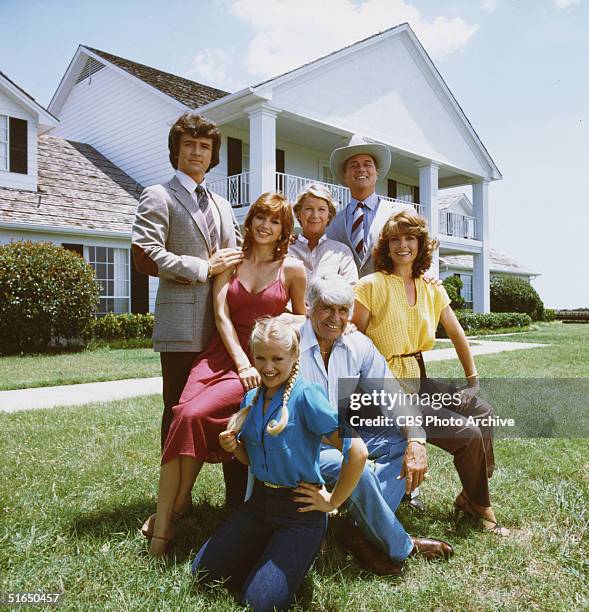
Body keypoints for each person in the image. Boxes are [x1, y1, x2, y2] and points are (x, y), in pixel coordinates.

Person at [144, 193, 307, 555]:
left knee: (192, 415)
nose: (265, 225)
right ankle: (173, 509)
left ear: (284, 229)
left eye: (275, 221)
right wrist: (240, 361)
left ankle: (171, 513)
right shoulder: (231, 262)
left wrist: (279, 324)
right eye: (260, 217)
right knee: (183, 416)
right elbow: (221, 316)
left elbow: (303, 317)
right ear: (249, 222)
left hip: (262, 364)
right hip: (221, 357)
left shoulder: (293, 269)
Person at [191, 317, 368, 612]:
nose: (267, 367)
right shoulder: (251, 397)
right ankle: (266, 554)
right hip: (258, 505)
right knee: (204, 575)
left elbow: (357, 451)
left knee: (258, 605)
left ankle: (282, 559)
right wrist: (234, 449)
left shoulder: (306, 395)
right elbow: (254, 460)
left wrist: (332, 501)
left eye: (277, 358)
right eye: (260, 358)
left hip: (300, 512)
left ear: (294, 356)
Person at [352, 210, 509, 536]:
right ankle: (482, 506)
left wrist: (472, 381)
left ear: (421, 245)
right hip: (384, 386)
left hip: (417, 376)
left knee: (483, 412)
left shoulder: (431, 288)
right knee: (466, 434)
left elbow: (456, 332)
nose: (402, 245)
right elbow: (352, 344)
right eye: (395, 239)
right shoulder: (370, 285)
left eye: (410, 238)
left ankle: (469, 495)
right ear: (386, 246)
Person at [298, 276, 453, 575]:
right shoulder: (291, 340)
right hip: (302, 443)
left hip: (341, 438)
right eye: (326, 309)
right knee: (358, 470)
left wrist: (416, 440)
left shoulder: (357, 345)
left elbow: (392, 396)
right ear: (309, 308)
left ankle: (358, 527)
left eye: (343, 310)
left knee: (399, 438)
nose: (336, 318)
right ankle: (399, 544)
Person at [131, 112, 245, 505]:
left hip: (226, 328)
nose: (197, 152)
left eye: (204, 147)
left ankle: (237, 501)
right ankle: (175, 500)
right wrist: (201, 268)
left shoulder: (224, 205)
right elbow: (144, 255)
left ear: (213, 155)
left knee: (235, 406)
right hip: (181, 326)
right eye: (189, 145)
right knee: (178, 412)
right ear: (175, 151)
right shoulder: (158, 195)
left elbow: (242, 254)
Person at [325, 134, 414, 277]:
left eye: (367, 164)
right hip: (348, 298)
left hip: (393, 297)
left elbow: (422, 254)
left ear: (377, 173)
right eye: (354, 165)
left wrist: (430, 277)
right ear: (345, 175)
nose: (361, 169)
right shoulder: (332, 223)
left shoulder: (402, 212)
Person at [288, 183, 358, 284]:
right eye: (308, 209)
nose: (315, 215)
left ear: (329, 215)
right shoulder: (287, 249)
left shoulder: (341, 253)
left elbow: (351, 292)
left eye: (321, 209)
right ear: (299, 214)